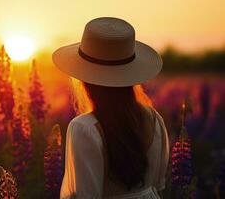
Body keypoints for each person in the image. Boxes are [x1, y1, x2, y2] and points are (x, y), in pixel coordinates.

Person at [52, 17, 169, 198]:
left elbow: (86, 195)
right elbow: (159, 185)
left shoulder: (85, 128)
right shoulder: (154, 119)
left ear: (84, 79)